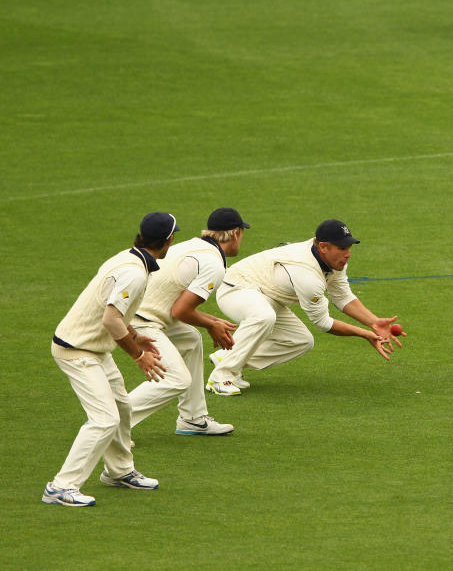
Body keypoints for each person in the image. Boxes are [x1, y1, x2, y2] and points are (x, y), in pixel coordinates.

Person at [43, 212, 176, 507]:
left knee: (122, 406)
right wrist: (138, 354)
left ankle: (119, 471)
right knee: (104, 419)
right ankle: (60, 486)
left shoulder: (128, 258)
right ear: (167, 240)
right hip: (77, 350)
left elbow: (113, 312)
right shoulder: (134, 272)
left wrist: (133, 333)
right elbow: (110, 319)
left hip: (96, 348)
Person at [205, 219, 402, 396]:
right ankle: (221, 377)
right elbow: (323, 323)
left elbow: (342, 296)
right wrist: (364, 334)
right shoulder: (307, 274)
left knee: (301, 341)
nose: (348, 254)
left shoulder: (334, 261)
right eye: (342, 248)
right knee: (264, 317)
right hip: (236, 289)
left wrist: (373, 322)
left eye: (349, 247)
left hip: (266, 296)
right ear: (323, 247)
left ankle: (227, 357)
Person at [127, 208, 250, 437]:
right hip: (142, 320)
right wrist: (212, 325)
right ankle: (112, 423)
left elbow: (179, 307)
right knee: (177, 378)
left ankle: (192, 418)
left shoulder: (193, 245)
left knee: (191, 339)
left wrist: (212, 322)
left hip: (142, 312)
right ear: (235, 234)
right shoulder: (214, 264)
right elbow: (181, 310)